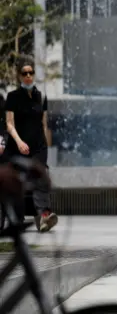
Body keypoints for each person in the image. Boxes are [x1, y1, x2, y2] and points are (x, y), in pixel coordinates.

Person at [4, 60, 57, 232]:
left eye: (31, 73)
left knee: (40, 173)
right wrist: (19, 142)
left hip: (39, 146)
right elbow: (9, 124)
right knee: (21, 179)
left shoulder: (41, 97)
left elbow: (44, 125)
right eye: (24, 73)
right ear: (19, 76)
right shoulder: (12, 97)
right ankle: (21, 217)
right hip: (18, 146)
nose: (28, 76)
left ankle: (44, 216)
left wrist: (46, 146)